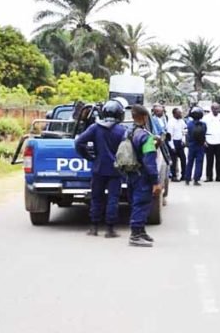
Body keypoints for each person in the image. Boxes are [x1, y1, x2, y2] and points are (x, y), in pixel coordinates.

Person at [74, 99, 126, 238]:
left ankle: (94, 228)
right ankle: (110, 230)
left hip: (98, 169)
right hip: (116, 171)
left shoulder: (95, 128)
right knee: (113, 199)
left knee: (96, 198)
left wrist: (89, 157)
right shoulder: (122, 130)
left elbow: (79, 142)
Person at [127, 105, 161, 247]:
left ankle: (141, 231)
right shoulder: (146, 137)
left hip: (132, 173)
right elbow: (149, 161)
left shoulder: (129, 132)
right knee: (141, 204)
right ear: (145, 117)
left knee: (137, 202)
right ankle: (135, 235)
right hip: (143, 176)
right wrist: (156, 181)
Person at [203, 103, 220, 182]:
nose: (216, 110)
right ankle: (209, 177)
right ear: (211, 109)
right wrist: (204, 140)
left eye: (217, 109)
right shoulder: (206, 117)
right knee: (209, 160)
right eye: (214, 109)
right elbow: (203, 129)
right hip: (209, 141)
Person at [184, 107, 207, 186]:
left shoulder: (189, 124)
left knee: (190, 162)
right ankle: (196, 180)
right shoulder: (203, 124)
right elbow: (204, 134)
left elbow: (188, 134)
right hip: (200, 145)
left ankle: (187, 179)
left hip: (191, 145)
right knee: (199, 163)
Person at [166, 107, 187, 182]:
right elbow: (169, 136)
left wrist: (183, 140)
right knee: (174, 161)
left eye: (180, 113)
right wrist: (172, 146)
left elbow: (184, 130)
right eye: (179, 113)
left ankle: (184, 175)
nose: (180, 114)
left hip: (180, 141)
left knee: (183, 159)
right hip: (173, 142)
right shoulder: (171, 122)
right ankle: (174, 176)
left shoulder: (181, 121)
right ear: (174, 114)